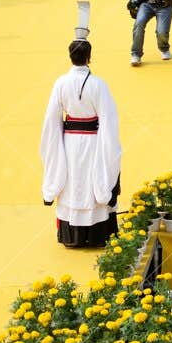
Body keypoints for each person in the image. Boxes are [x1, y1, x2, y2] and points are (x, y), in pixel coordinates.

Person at [39, 37, 124, 248]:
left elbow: (51, 118)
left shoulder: (60, 83)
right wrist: (110, 147)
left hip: (69, 142)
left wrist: (55, 143)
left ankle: (72, 236)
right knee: (92, 178)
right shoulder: (98, 84)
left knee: (72, 180)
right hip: (94, 141)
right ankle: (96, 234)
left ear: (70, 57)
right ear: (89, 57)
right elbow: (109, 119)